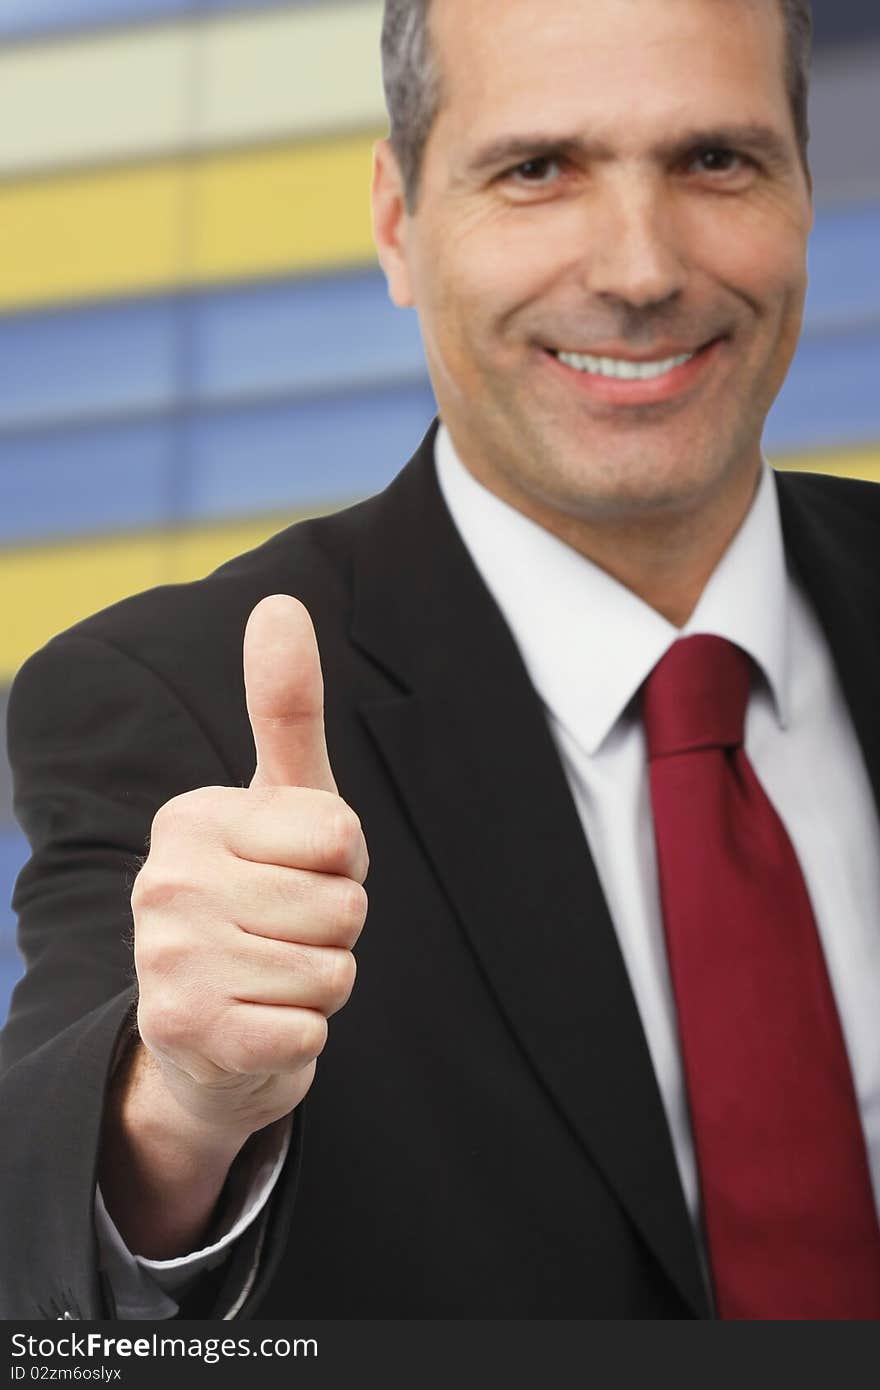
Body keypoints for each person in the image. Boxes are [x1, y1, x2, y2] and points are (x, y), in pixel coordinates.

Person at [2, 0, 879, 1321]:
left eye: (715, 160)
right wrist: (175, 1110)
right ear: (399, 219)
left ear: (805, 189)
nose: (639, 270)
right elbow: (40, 1275)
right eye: (538, 169)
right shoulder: (175, 699)